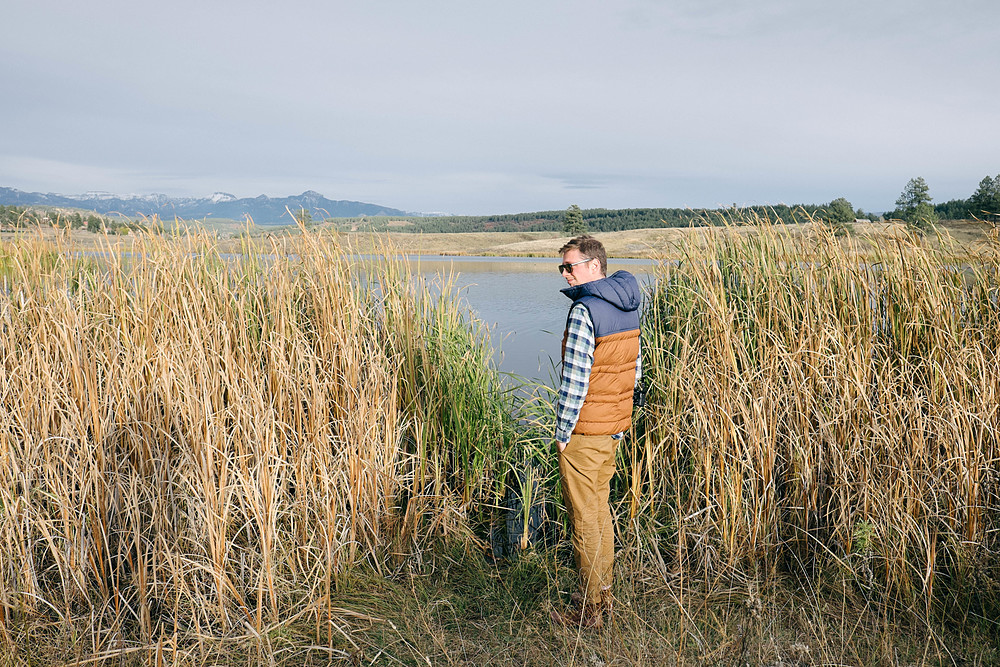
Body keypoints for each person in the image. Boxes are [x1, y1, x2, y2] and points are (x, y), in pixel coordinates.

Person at [550, 235, 642, 630]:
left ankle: (590, 612)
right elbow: (633, 371)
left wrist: (562, 431)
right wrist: (622, 422)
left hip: (585, 430)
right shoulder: (629, 306)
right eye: (563, 268)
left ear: (594, 266)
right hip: (613, 428)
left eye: (569, 266)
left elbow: (574, 379)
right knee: (600, 511)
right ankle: (601, 590)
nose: (566, 275)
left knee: (585, 518)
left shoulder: (585, 310)